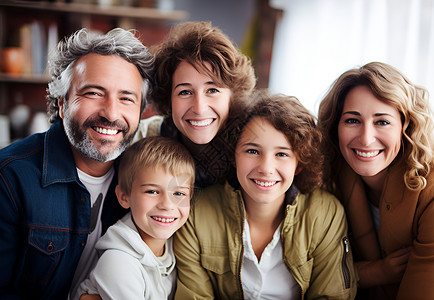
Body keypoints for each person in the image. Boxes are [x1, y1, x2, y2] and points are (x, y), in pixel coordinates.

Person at [0, 28, 154, 299]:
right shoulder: (10, 178)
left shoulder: (145, 179)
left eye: (126, 98)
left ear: (140, 112)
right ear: (62, 104)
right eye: (94, 93)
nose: (111, 113)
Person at [173, 90, 357, 299]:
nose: (266, 168)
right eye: (252, 151)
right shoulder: (197, 213)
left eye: (282, 154)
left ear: (299, 163)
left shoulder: (324, 214)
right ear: (234, 155)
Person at [318, 62, 434, 299]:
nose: (366, 139)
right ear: (336, 126)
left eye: (382, 121)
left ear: (405, 127)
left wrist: (356, 272)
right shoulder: (328, 176)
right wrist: (377, 272)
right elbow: (314, 272)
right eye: (352, 120)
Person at [134, 21, 256, 189]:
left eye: (212, 90)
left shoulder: (256, 145)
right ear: (168, 101)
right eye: (185, 92)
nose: (199, 108)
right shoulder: (138, 141)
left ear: (233, 96)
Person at [77, 136, 195, 299]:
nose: (167, 205)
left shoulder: (179, 245)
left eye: (179, 193)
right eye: (152, 191)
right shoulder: (118, 263)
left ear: (190, 197)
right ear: (124, 197)